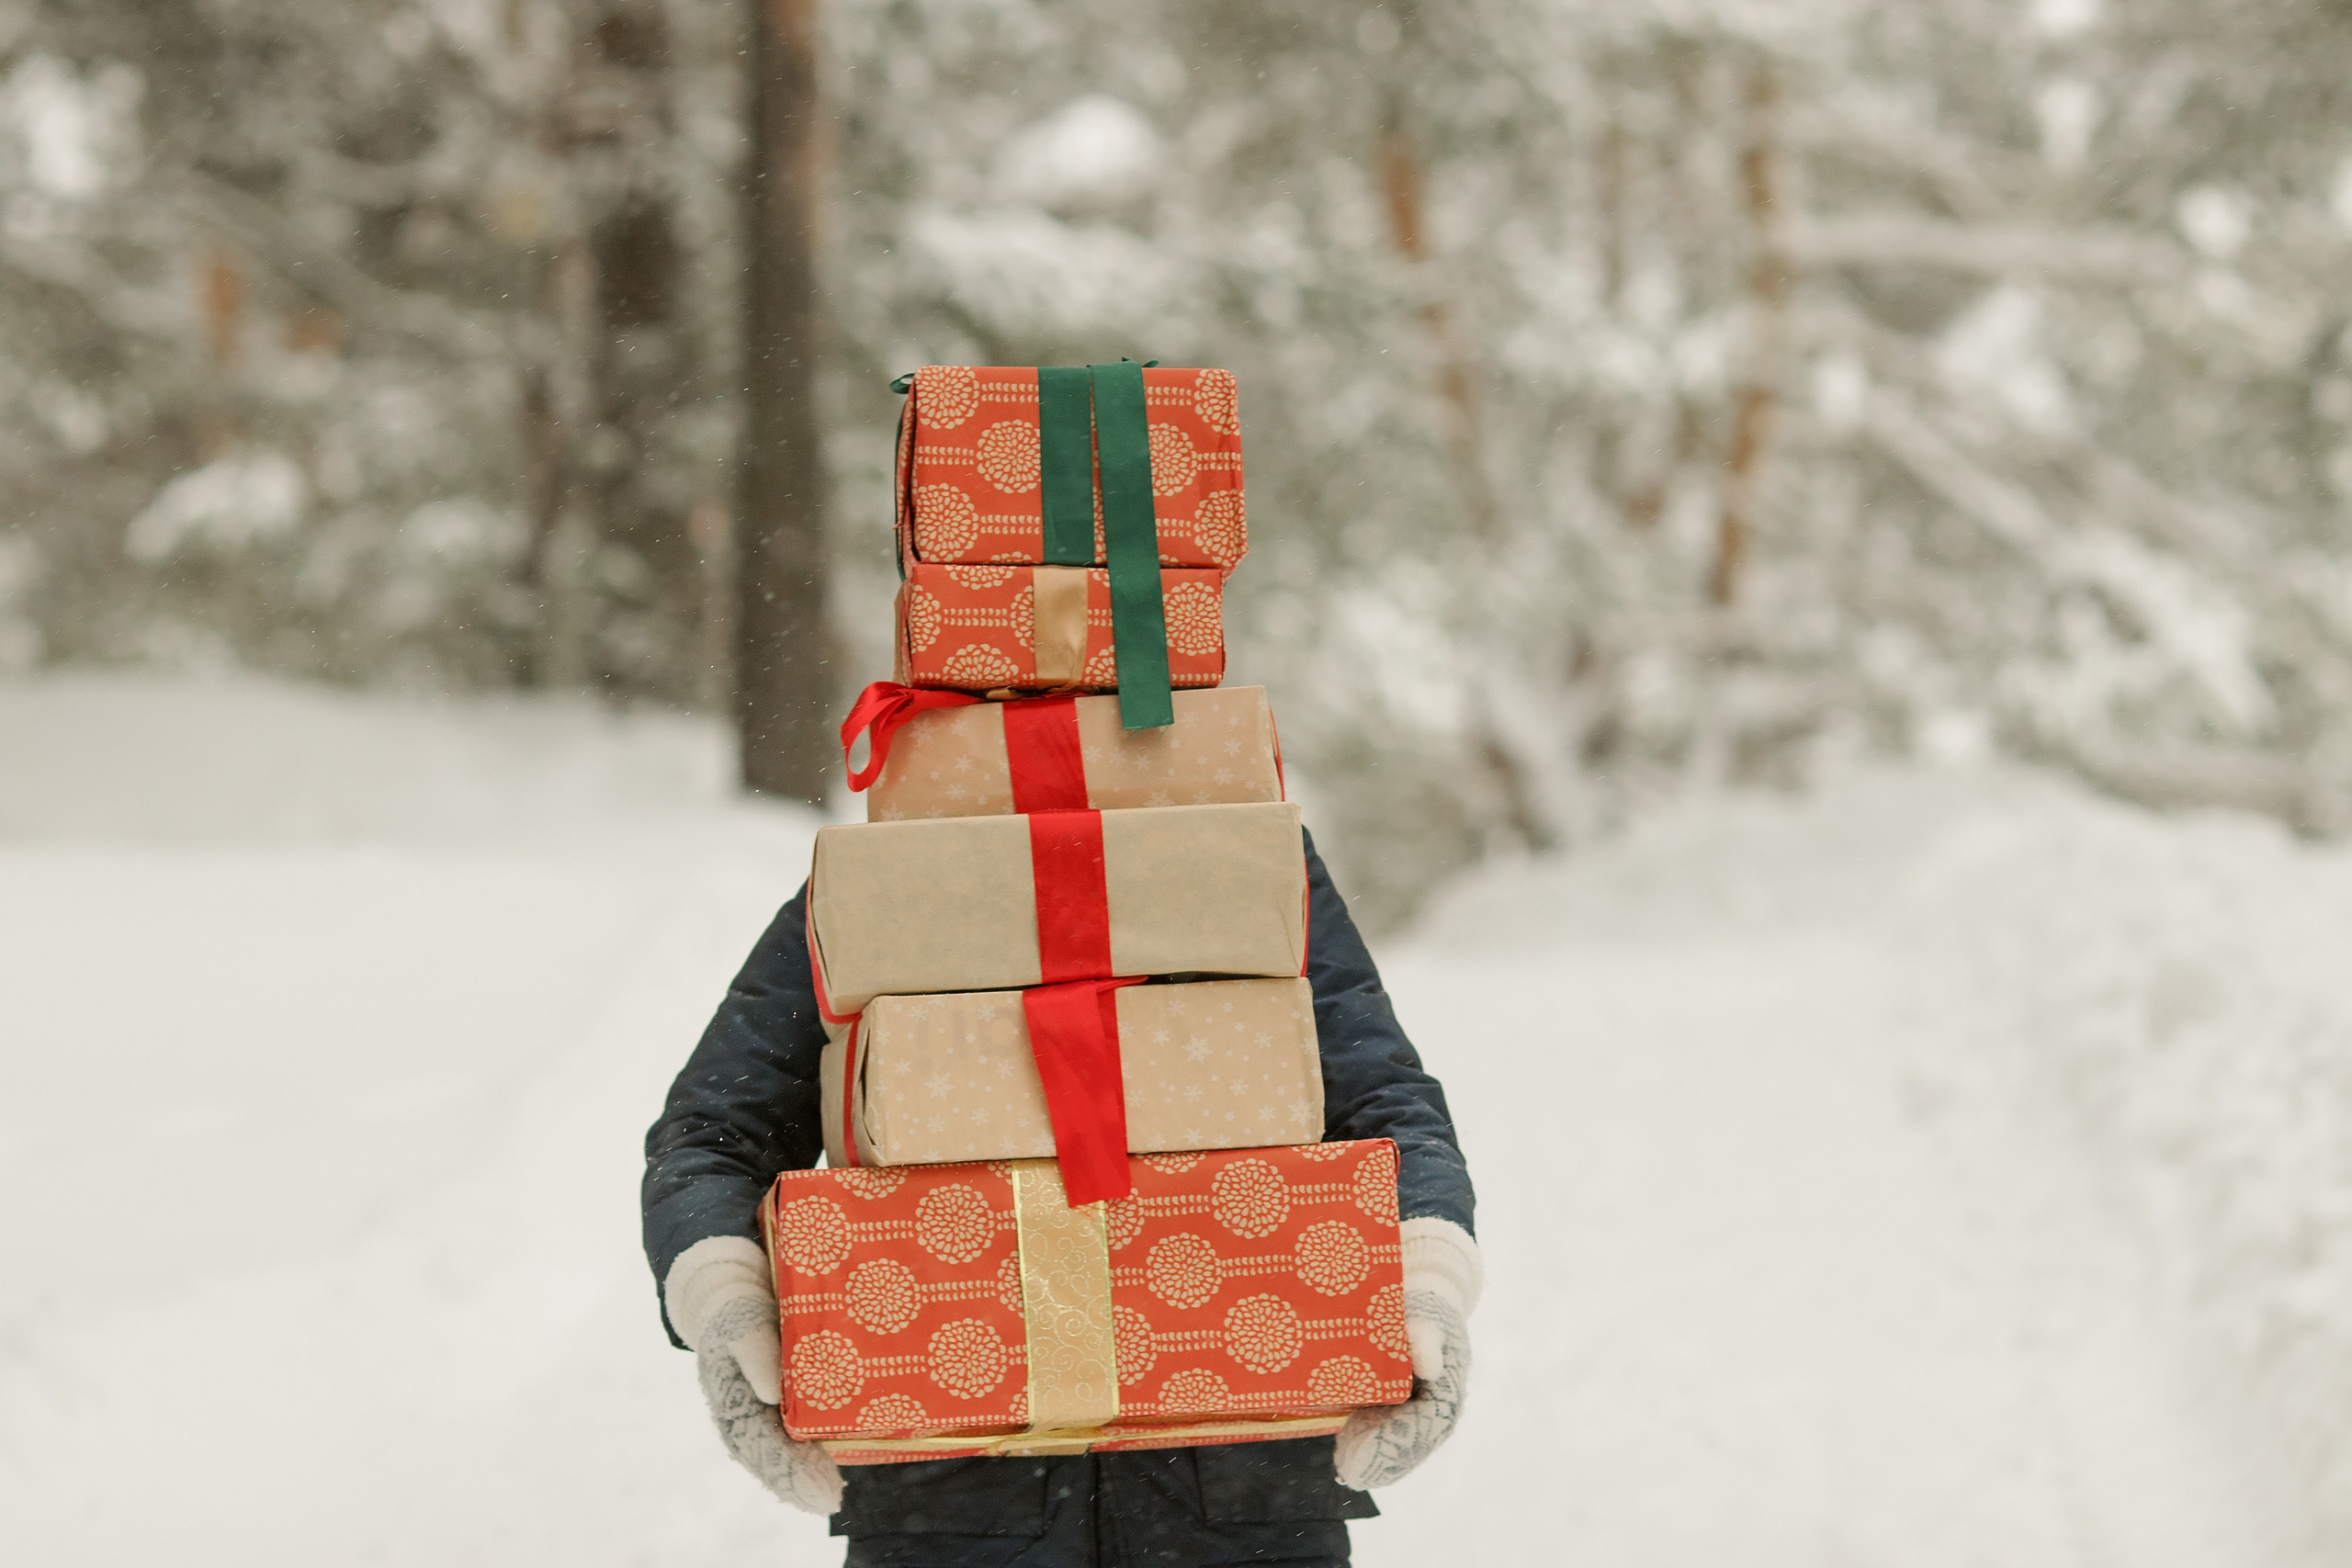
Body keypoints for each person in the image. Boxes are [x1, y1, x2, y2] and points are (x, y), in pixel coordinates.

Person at [643, 829, 1481, 1568]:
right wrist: (724, 1300)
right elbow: (718, 1131)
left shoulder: (1245, 861)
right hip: (953, 1498)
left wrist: (1429, 1278)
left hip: (1243, 1492)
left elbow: (1383, 1104)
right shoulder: (882, 879)